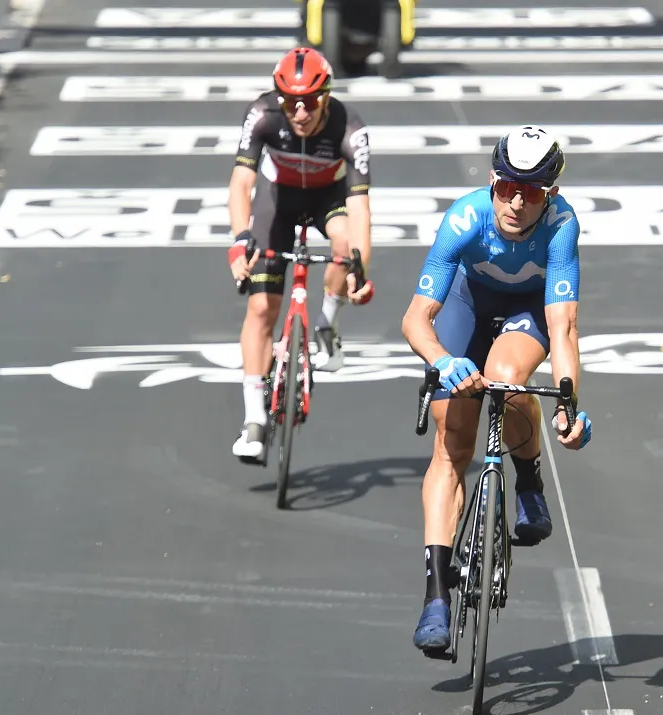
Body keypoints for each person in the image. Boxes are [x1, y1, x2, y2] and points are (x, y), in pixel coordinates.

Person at [400, 124, 594, 653]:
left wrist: (569, 401)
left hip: (526, 313)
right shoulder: (465, 217)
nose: (514, 201)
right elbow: (417, 319)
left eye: (529, 192)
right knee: (451, 440)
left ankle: (529, 480)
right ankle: (436, 597)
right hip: (467, 305)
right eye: (506, 186)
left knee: (508, 378)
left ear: (548, 195)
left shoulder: (561, 226)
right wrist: (443, 362)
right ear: (492, 179)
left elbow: (563, 328)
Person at [227, 46, 376, 464]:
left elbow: (361, 206)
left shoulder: (351, 129)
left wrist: (359, 269)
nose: (300, 111)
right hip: (280, 200)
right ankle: (254, 419)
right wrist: (241, 239)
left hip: (329, 197)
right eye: (291, 101)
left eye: (310, 101)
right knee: (261, 309)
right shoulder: (262, 115)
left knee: (344, 244)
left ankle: (327, 323)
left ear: (326, 96)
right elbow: (241, 183)